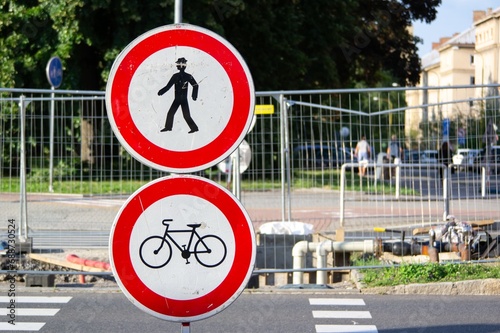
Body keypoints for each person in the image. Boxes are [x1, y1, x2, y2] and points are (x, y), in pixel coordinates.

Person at [158, 57, 199, 134]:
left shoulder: (184, 76)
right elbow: (168, 86)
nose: (178, 66)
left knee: (185, 115)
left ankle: (194, 128)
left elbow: (195, 85)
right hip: (178, 99)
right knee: (172, 113)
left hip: (182, 99)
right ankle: (168, 127)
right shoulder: (178, 76)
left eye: (178, 64)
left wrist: (194, 95)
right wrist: (161, 91)